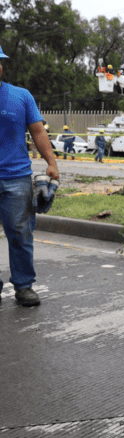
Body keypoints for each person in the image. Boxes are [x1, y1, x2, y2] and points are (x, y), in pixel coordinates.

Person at [0, 45, 59, 307]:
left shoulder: (21, 96)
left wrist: (51, 162)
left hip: (16, 178)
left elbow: (38, 132)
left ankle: (24, 286)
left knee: (20, 233)